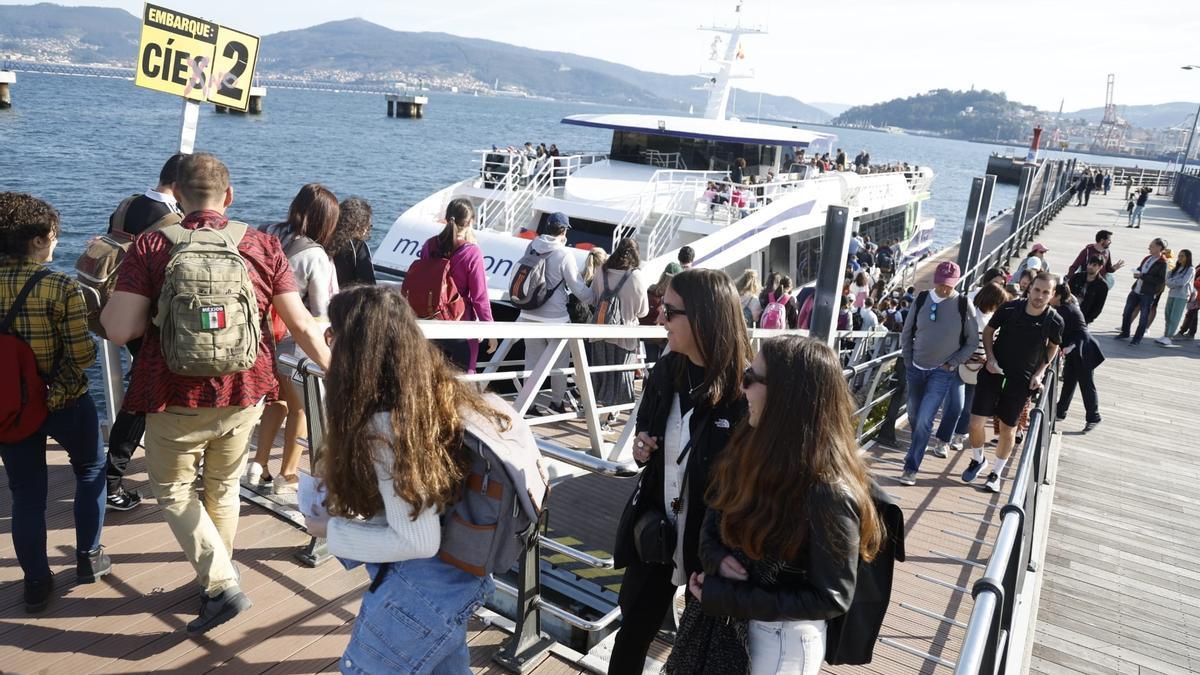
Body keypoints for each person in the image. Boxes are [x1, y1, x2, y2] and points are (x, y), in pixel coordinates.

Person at [101, 153, 332, 634]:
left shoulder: (151, 245)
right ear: (229, 197)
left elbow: (120, 330)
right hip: (244, 388)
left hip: (172, 392)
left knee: (173, 490)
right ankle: (218, 579)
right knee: (223, 487)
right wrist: (342, 375)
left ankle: (220, 582)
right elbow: (304, 326)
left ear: (177, 197)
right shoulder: (263, 244)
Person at [307, 285, 500, 674]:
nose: (332, 344)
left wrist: (330, 529)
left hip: (419, 588)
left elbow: (417, 540)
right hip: (456, 578)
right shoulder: (432, 394)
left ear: (358, 348)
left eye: (335, 334)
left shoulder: (386, 428)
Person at [689, 336, 884, 673]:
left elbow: (832, 596)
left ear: (788, 397)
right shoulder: (752, 444)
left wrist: (727, 596)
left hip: (779, 644)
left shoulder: (827, 490)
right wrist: (717, 558)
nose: (742, 386)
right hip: (738, 627)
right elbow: (715, 512)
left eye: (752, 377)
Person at [609, 268, 750, 674]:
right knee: (633, 629)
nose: (659, 319)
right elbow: (647, 434)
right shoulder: (667, 370)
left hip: (709, 543)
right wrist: (641, 448)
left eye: (669, 311)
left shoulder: (744, 392)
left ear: (704, 317)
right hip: (658, 527)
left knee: (696, 651)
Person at [1, 192, 109, 614]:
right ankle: (88, 557)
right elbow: (83, 355)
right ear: (36, 240)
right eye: (52, 237)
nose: (55, 244)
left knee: (26, 494)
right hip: (63, 398)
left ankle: (35, 583)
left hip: (10, 406)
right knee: (90, 468)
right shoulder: (59, 285)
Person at [103, 153, 186, 511]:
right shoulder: (172, 221)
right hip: (151, 320)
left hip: (117, 306)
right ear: (181, 185)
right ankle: (112, 479)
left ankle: (119, 474)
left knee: (144, 392)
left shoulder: (127, 205)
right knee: (142, 397)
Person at [249, 184, 341, 494]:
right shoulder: (315, 255)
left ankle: (257, 465)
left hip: (257, 335)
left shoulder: (266, 231)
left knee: (277, 402)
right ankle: (286, 476)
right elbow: (320, 310)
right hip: (290, 340)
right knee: (302, 408)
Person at [961, 272, 1062, 494]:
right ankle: (978, 460)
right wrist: (991, 357)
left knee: (1008, 429)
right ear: (1030, 289)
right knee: (975, 423)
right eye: (1037, 290)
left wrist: (1040, 372)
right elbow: (988, 331)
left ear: (1052, 294)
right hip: (992, 373)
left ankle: (996, 473)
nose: (1040, 295)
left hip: (1021, 381)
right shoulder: (1009, 308)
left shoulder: (1054, 320)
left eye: (1046, 292)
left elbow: (1053, 346)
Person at [896, 262, 979, 485]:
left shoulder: (963, 304)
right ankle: (917, 446)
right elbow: (907, 332)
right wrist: (908, 360)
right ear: (935, 279)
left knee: (925, 419)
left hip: (942, 372)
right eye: (941, 283)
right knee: (914, 415)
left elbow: (972, 342)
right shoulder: (922, 298)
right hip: (915, 367)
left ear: (957, 283)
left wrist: (952, 363)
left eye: (949, 285)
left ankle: (911, 468)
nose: (944, 288)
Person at [518, 212, 595, 415]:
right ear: (564, 231)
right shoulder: (563, 254)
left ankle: (529, 404)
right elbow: (578, 288)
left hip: (528, 313)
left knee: (532, 362)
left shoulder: (532, 246)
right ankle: (557, 402)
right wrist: (597, 298)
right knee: (560, 363)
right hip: (555, 319)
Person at [932, 281, 1011, 456]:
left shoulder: (994, 319)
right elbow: (953, 339)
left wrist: (988, 357)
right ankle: (943, 440)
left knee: (969, 407)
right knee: (956, 405)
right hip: (959, 365)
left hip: (980, 368)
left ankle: (959, 436)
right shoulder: (968, 314)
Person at [419, 199, 496, 371]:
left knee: (431, 374)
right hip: (460, 323)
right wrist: (490, 330)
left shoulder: (429, 244)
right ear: (470, 222)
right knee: (463, 377)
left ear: (446, 219)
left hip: (430, 319)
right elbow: (479, 297)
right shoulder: (472, 252)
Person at [589, 238, 649, 431]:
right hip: (624, 336)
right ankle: (603, 422)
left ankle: (599, 419)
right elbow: (643, 311)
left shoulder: (602, 271)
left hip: (599, 333)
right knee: (620, 381)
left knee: (600, 378)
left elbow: (594, 298)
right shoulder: (635, 276)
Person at [1052, 283, 1104, 432]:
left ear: (1058, 296)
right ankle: (1060, 411)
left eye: (1051, 294)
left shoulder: (1064, 310)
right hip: (1076, 348)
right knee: (1069, 380)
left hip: (1083, 349)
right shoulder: (1065, 308)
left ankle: (1094, 416)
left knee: (1086, 384)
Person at [1116, 237, 1168, 346]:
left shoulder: (1163, 263)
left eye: (1152, 246)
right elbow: (1141, 268)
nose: (1149, 247)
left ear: (1159, 248)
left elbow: (1160, 280)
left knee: (1143, 317)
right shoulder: (1148, 258)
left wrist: (1143, 276)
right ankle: (1125, 332)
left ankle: (1137, 339)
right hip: (1136, 290)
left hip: (1148, 293)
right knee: (1126, 312)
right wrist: (1138, 272)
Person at [329, 196, 376, 288]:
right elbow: (368, 284)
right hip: (347, 298)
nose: (367, 229)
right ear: (359, 224)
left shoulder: (326, 237)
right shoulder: (358, 246)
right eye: (368, 224)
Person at [1157, 249, 1194, 348]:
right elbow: (1167, 279)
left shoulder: (1190, 269)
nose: (1180, 258)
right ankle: (1165, 334)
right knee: (1168, 314)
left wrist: (1172, 282)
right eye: (1179, 255)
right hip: (1172, 293)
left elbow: (1183, 282)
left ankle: (1169, 337)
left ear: (1188, 258)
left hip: (1181, 296)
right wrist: (1173, 281)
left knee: (1175, 316)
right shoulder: (1176, 268)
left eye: (1182, 256)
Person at [1068, 256, 1111, 324]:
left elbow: (1098, 307)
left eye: (1094, 265)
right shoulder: (1077, 277)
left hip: (1083, 318)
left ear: (1100, 267)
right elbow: (1065, 293)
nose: (1090, 266)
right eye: (1089, 264)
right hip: (1068, 312)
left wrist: (1087, 320)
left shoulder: (1102, 286)